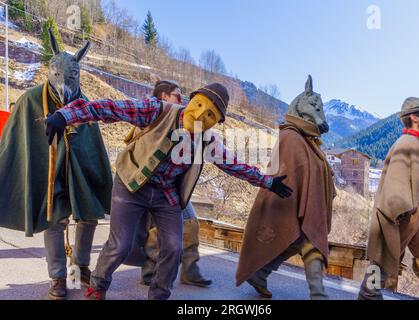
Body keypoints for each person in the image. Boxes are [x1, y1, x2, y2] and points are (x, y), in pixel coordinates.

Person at [45, 82, 293, 300]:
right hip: (132, 184)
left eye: (210, 115)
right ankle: (98, 286)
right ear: (191, 100)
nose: (200, 116)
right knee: (120, 244)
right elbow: (109, 108)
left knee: (174, 248)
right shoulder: (157, 110)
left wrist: (268, 182)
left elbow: (234, 165)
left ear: (215, 122)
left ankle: (159, 295)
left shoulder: (208, 141)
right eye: (199, 105)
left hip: (166, 195)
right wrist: (65, 116)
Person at [0, 29, 113, 300]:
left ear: (78, 76)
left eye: (70, 77)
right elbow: (15, 142)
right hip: (48, 173)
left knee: (88, 215)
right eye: (58, 75)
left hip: (80, 173)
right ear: (50, 72)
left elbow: (92, 145)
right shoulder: (30, 100)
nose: (63, 83)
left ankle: (82, 266)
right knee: (55, 220)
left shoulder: (87, 105)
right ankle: (58, 278)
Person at [236, 75, 336, 300]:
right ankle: (318, 294)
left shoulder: (305, 139)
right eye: (315, 107)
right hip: (289, 200)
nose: (320, 115)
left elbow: (312, 169)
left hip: (301, 202)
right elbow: (291, 170)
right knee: (308, 242)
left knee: (299, 240)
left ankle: (261, 273)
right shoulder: (291, 137)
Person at [358, 97, 419, 300]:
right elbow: (395, 186)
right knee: (377, 271)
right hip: (400, 220)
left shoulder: (414, 143)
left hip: (414, 220)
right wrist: (405, 211)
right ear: (415, 118)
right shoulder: (407, 144)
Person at [130, 80, 212, 287]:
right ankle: (150, 271)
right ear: (164, 96)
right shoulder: (152, 113)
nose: (181, 99)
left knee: (191, 222)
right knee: (154, 229)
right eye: (177, 94)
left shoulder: (182, 118)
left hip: (172, 184)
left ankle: (190, 270)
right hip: (147, 183)